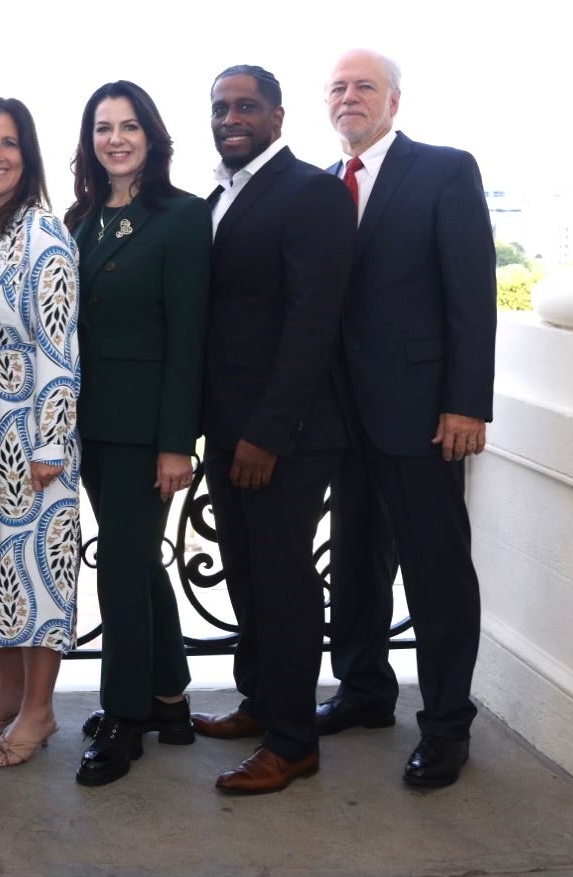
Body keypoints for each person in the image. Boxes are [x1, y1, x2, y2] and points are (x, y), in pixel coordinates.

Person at [318, 49, 496, 788]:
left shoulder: (444, 170)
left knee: (436, 571)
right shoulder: (326, 185)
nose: (349, 97)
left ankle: (447, 724)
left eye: (364, 86)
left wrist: (466, 401)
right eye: (338, 87)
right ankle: (363, 691)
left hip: (423, 414)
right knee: (355, 561)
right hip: (341, 416)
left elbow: (471, 290)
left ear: (395, 100)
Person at [189, 65, 357, 794]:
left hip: (283, 433)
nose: (232, 117)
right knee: (250, 575)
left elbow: (310, 320)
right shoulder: (218, 196)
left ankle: (293, 742)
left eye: (247, 106)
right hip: (228, 430)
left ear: (279, 117)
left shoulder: (311, 192)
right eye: (222, 107)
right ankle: (261, 702)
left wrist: (268, 430)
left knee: (285, 582)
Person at [64, 81, 209, 787]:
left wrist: (175, 442)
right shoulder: (82, 217)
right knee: (138, 560)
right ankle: (170, 698)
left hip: (147, 427)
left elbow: (189, 338)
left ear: (151, 136)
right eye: (102, 128)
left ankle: (125, 716)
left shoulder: (183, 218)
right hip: (92, 422)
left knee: (121, 566)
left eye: (128, 126)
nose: (115, 138)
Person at [0, 97, 81, 768]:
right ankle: (4, 695)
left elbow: (60, 347)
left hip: (30, 426)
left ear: (26, 155)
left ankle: (40, 710)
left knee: (37, 567)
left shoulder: (45, 232)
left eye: (9, 143)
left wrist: (50, 443)